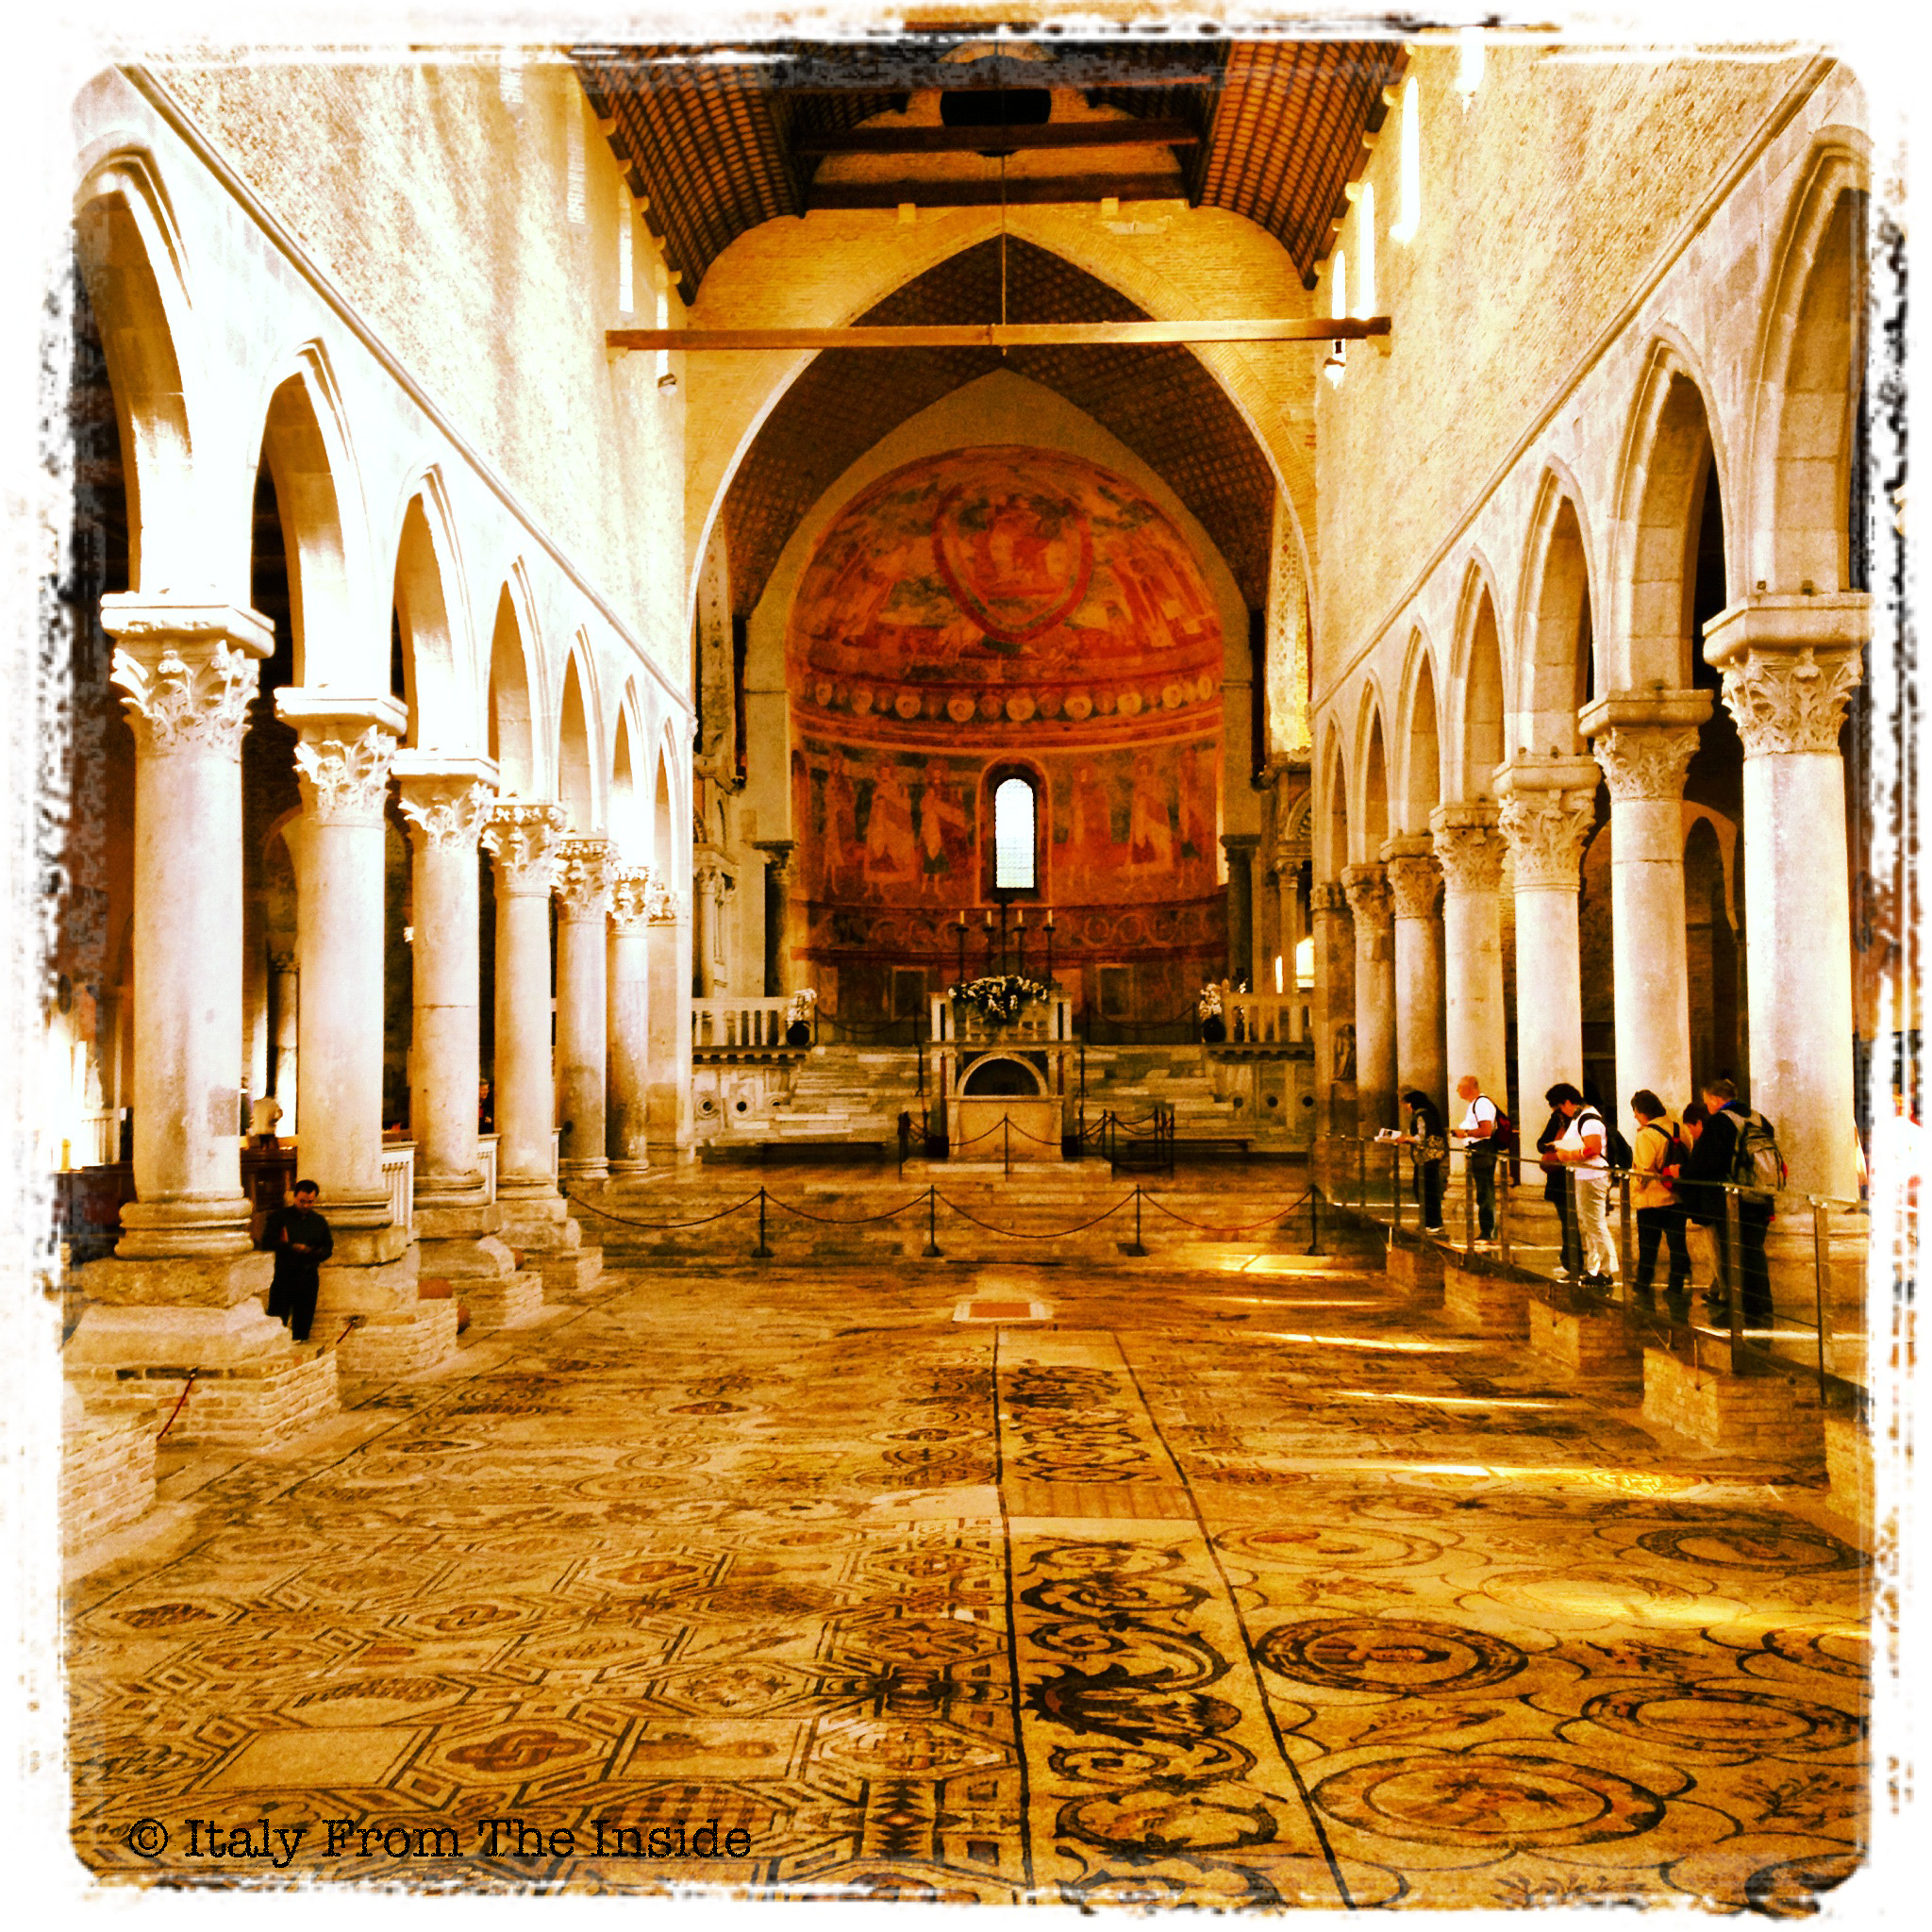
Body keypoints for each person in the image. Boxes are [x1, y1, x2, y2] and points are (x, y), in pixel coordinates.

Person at [1680, 1076, 1774, 1327]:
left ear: (1715, 1099)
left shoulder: (1721, 1122)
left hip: (1733, 1200)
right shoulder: (1758, 1118)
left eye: (1707, 1101)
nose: (1708, 1106)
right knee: (1754, 1251)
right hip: (1761, 1194)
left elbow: (1705, 1162)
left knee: (1733, 1253)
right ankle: (1761, 1306)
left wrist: (1683, 1174)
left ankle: (1740, 1308)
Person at [1544, 1082, 1618, 1289]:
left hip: (1592, 1175)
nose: (1561, 1114)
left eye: (1560, 1109)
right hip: (1585, 1174)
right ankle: (1595, 1268)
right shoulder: (1580, 1118)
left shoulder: (1589, 1119)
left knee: (1595, 1223)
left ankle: (1605, 1270)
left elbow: (1592, 1148)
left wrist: (1569, 1155)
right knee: (1590, 1223)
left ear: (1567, 1102)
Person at [1628, 1089, 1691, 1318]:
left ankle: (1643, 1283)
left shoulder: (1646, 1135)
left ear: (1642, 1112)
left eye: (1635, 1112)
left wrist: (1634, 1188)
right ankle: (1676, 1284)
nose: (1634, 1116)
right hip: (1676, 1195)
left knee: (1648, 1245)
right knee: (1677, 1242)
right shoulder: (1679, 1128)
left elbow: (1644, 1170)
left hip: (1652, 1199)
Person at [263, 1178, 333, 1344]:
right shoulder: (279, 1218)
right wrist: (291, 1247)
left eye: (310, 1202)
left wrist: (312, 1252)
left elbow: (327, 1248)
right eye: (302, 1202)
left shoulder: (318, 1221)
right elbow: (267, 1242)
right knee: (277, 1319)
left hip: (308, 1276)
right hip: (284, 1276)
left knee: (304, 1322)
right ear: (294, 1198)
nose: (306, 1206)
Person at [1450, 1074, 1501, 1246]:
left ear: (1470, 1087)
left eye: (1460, 1087)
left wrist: (1465, 1133)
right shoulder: (1475, 1105)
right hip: (1477, 1150)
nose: (1457, 1090)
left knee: (1485, 1191)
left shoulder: (1482, 1104)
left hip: (1483, 1150)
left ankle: (1489, 1232)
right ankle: (1486, 1231)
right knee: (1482, 1190)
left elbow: (1486, 1130)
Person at [1535, 1096, 1582, 1280]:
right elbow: (1541, 1143)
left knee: (1570, 1220)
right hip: (1566, 1175)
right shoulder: (1565, 1119)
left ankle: (1574, 1262)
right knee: (1569, 1220)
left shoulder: (1569, 1119)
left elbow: (1541, 1144)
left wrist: (1557, 1146)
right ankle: (1571, 1261)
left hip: (1568, 1176)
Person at [1391, 1088, 1448, 1235]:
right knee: (1426, 1188)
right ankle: (1430, 1221)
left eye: (1406, 1105)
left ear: (1412, 1104)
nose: (1406, 1109)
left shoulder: (1421, 1115)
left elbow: (1422, 1136)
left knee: (1424, 1189)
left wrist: (1406, 1139)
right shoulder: (1427, 1113)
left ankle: (1433, 1222)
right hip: (1428, 1157)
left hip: (1426, 1157)